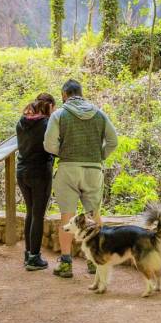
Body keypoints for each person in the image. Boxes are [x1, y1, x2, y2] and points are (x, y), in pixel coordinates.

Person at [44, 79, 118, 278]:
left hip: (68, 169)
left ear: (64, 95)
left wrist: (65, 152)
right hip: (93, 170)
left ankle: (66, 264)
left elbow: (49, 145)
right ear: (81, 93)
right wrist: (100, 155)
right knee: (93, 215)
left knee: (67, 217)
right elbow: (113, 140)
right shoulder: (100, 114)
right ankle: (95, 261)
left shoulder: (59, 114)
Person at [16, 93, 56, 271]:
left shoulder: (21, 122)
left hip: (22, 171)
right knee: (38, 214)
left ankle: (28, 253)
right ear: (49, 106)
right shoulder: (47, 124)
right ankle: (34, 258)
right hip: (40, 173)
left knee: (30, 212)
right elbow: (53, 147)